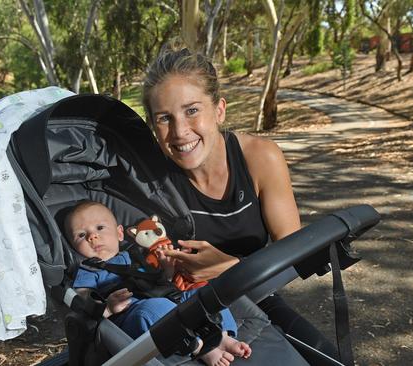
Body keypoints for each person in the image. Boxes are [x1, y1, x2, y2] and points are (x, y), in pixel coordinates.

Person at [142, 48, 338, 358]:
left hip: (256, 298)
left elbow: (295, 257)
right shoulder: (151, 182)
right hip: (185, 308)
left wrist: (229, 269)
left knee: (330, 359)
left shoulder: (260, 158)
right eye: (165, 118)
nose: (180, 132)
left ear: (219, 110)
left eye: (192, 110)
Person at [65, 200, 252, 366]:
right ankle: (200, 349)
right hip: (129, 318)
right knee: (154, 308)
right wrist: (108, 308)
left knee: (203, 293)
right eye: (81, 235)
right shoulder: (88, 270)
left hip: (165, 297)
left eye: (99, 228)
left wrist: (167, 270)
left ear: (120, 233)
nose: (92, 237)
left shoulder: (136, 255)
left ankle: (222, 336)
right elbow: (83, 304)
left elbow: (163, 283)